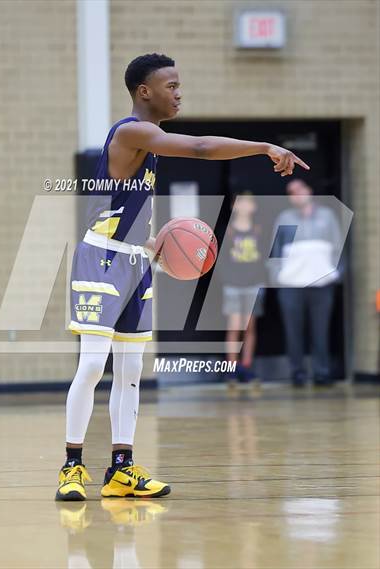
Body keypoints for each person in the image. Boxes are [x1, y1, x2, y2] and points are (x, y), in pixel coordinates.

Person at [56, 53, 310, 501]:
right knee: (95, 363)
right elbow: (200, 148)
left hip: (135, 261)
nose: (179, 92)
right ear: (144, 92)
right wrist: (264, 147)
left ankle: (121, 469)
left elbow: (127, 205)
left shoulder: (151, 144)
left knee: (131, 370)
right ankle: (72, 466)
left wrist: (151, 244)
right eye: (170, 85)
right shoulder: (131, 131)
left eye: (179, 85)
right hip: (101, 259)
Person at [270, 179, 342, 387]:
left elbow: (337, 248)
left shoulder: (327, 217)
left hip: (322, 285)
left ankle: (322, 372)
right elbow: (276, 250)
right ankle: (297, 373)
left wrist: (336, 274)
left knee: (321, 331)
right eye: (291, 192)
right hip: (291, 286)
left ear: (309, 190)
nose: (297, 194)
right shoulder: (284, 218)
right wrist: (278, 277)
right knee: (294, 332)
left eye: (300, 189)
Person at [221, 192, 266, 386]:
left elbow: (264, 259)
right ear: (233, 206)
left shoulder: (258, 230)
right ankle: (231, 368)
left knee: (249, 328)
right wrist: (227, 279)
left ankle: (246, 367)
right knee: (234, 326)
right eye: (241, 202)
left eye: (248, 202)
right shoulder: (229, 231)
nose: (245, 205)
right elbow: (220, 260)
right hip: (233, 285)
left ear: (253, 206)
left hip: (253, 285)